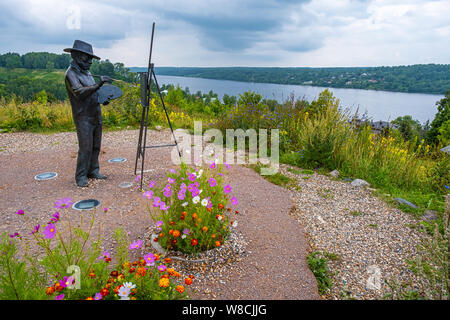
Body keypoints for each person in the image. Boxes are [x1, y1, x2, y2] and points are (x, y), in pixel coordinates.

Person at [64, 40, 112, 187]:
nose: (90, 61)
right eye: (87, 57)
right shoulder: (70, 74)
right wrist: (99, 84)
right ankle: (81, 176)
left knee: (96, 146)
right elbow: (79, 92)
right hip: (83, 117)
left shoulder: (87, 72)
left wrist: (102, 99)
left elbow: (93, 92)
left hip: (95, 113)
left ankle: (93, 170)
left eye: (91, 58)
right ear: (76, 55)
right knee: (85, 148)